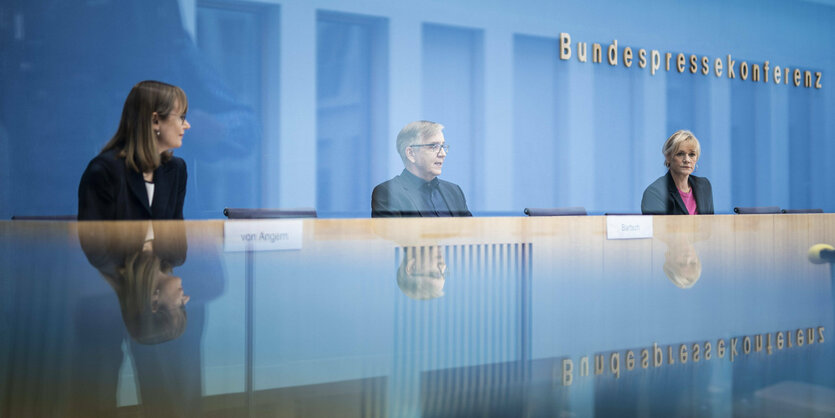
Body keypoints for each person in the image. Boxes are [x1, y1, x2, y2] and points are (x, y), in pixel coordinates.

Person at [78, 81, 190, 220]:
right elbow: (95, 239)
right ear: (155, 121)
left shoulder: (176, 169)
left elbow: (175, 238)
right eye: (181, 117)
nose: (187, 125)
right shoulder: (104, 170)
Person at [372, 120, 472, 217]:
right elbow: (393, 234)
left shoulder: (454, 191)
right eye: (434, 146)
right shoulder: (387, 193)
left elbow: (471, 232)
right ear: (411, 153)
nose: (443, 154)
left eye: (443, 146)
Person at [641, 130, 714, 215]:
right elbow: (659, 228)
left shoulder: (704, 186)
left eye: (691, 154)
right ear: (668, 157)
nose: (687, 160)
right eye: (680, 154)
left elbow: (710, 225)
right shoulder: (655, 192)